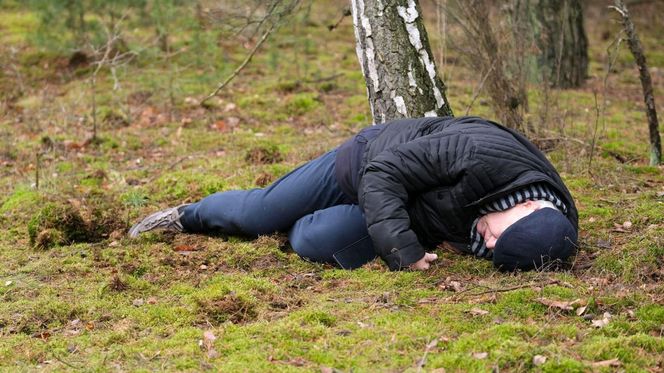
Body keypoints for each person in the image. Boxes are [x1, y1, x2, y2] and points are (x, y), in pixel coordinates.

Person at [129, 116, 578, 271]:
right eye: (499, 237)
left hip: (407, 211)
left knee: (311, 242)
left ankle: (302, 216)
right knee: (257, 216)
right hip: (367, 163)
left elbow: (506, 242)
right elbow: (384, 173)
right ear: (522, 204)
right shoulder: (478, 153)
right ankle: (185, 215)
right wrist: (403, 252)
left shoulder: (543, 234)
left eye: (495, 250)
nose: (489, 245)